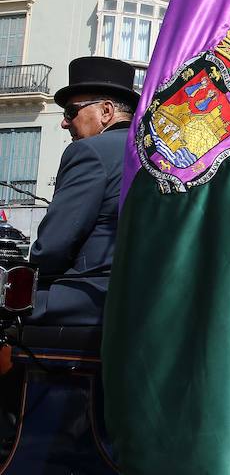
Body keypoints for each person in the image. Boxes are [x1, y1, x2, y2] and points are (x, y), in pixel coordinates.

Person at [28, 56, 138, 329]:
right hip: (149, 297)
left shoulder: (89, 152)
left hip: (94, 295)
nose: (65, 123)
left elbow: (53, 248)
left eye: (70, 112)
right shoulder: (160, 154)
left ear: (106, 111)